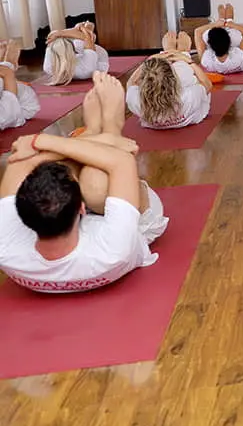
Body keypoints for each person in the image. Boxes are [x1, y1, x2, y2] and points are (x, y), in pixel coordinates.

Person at [0, 72, 168, 293]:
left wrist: (45, 153)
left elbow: (19, 162)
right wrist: (41, 140)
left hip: (69, 223)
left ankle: (91, 132)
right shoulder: (114, 249)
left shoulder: (5, 247)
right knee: (96, 183)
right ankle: (110, 127)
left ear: (20, 215)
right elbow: (122, 160)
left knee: (61, 168)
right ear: (82, 208)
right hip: (139, 224)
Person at [126, 33, 214, 130]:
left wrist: (149, 60)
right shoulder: (188, 96)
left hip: (155, 117)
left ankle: (169, 52)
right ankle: (182, 52)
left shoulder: (137, 101)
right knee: (184, 70)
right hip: (191, 114)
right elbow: (207, 84)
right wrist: (189, 61)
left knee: (156, 71)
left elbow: (131, 82)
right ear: (173, 77)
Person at [43, 21, 110, 85]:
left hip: (74, 55)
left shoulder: (48, 67)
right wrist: (61, 32)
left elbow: (51, 36)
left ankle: (82, 27)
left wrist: (61, 33)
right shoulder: (86, 69)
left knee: (62, 39)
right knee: (86, 36)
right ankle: (86, 27)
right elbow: (88, 38)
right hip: (98, 58)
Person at [195, 7, 243, 75]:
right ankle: (229, 19)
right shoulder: (239, 58)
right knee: (234, 36)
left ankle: (221, 19)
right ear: (230, 41)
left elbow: (197, 31)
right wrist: (229, 23)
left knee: (207, 35)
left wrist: (216, 24)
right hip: (235, 45)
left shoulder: (207, 61)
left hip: (223, 43)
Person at [0, 39, 40, 131]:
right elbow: (8, 115)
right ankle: (6, 66)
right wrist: (8, 71)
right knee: (27, 96)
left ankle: (6, 66)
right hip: (24, 106)